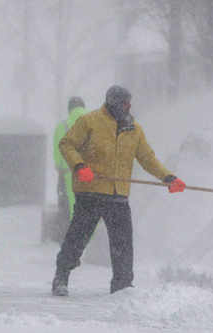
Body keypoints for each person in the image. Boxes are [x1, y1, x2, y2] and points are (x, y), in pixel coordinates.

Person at [51, 85, 186, 296]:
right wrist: (79, 166)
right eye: (125, 102)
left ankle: (122, 286)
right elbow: (67, 145)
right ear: (114, 103)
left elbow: (147, 159)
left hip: (118, 195)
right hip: (90, 192)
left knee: (122, 243)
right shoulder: (89, 122)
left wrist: (168, 177)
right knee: (77, 239)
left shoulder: (135, 130)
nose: (129, 106)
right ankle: (61, 276)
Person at [53, 96, 88, 231]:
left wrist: (60, 167)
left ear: (69, 110)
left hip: (69, 172)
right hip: (89, 172)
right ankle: (90, 237)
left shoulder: (62, 126)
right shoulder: (95, 124)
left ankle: (68, 235)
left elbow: (58, 151)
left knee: (67, 207)